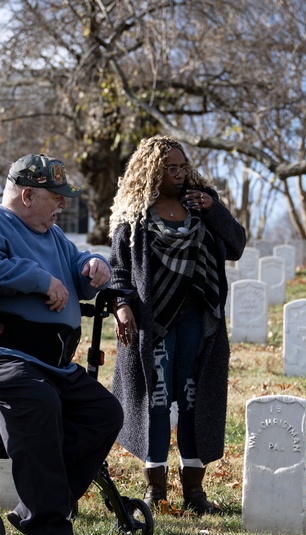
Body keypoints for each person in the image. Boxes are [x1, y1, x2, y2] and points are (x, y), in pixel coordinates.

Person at [0, 154, 122, 535]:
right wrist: (38, 280)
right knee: (38, 402)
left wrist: (93, 266)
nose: (62, 206)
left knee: (103, 413)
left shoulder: (52, 233)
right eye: (56, 197)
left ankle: (41, 506)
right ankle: (48, 532)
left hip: (47, 362)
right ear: (26, 195)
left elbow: (75, 264)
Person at [107, 136, 246, 515]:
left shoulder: (200, 204)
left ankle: (195, 493)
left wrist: (214, 208)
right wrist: (121, 306)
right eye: (171, 168)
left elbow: (236, 245)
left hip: (198, 323)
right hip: (153, 325)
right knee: (155, 402)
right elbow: (119, 268)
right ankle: (156, 490)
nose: (180, 174)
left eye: (183, 166)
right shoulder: (136, 213)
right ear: (152, 170)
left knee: (192, 401)